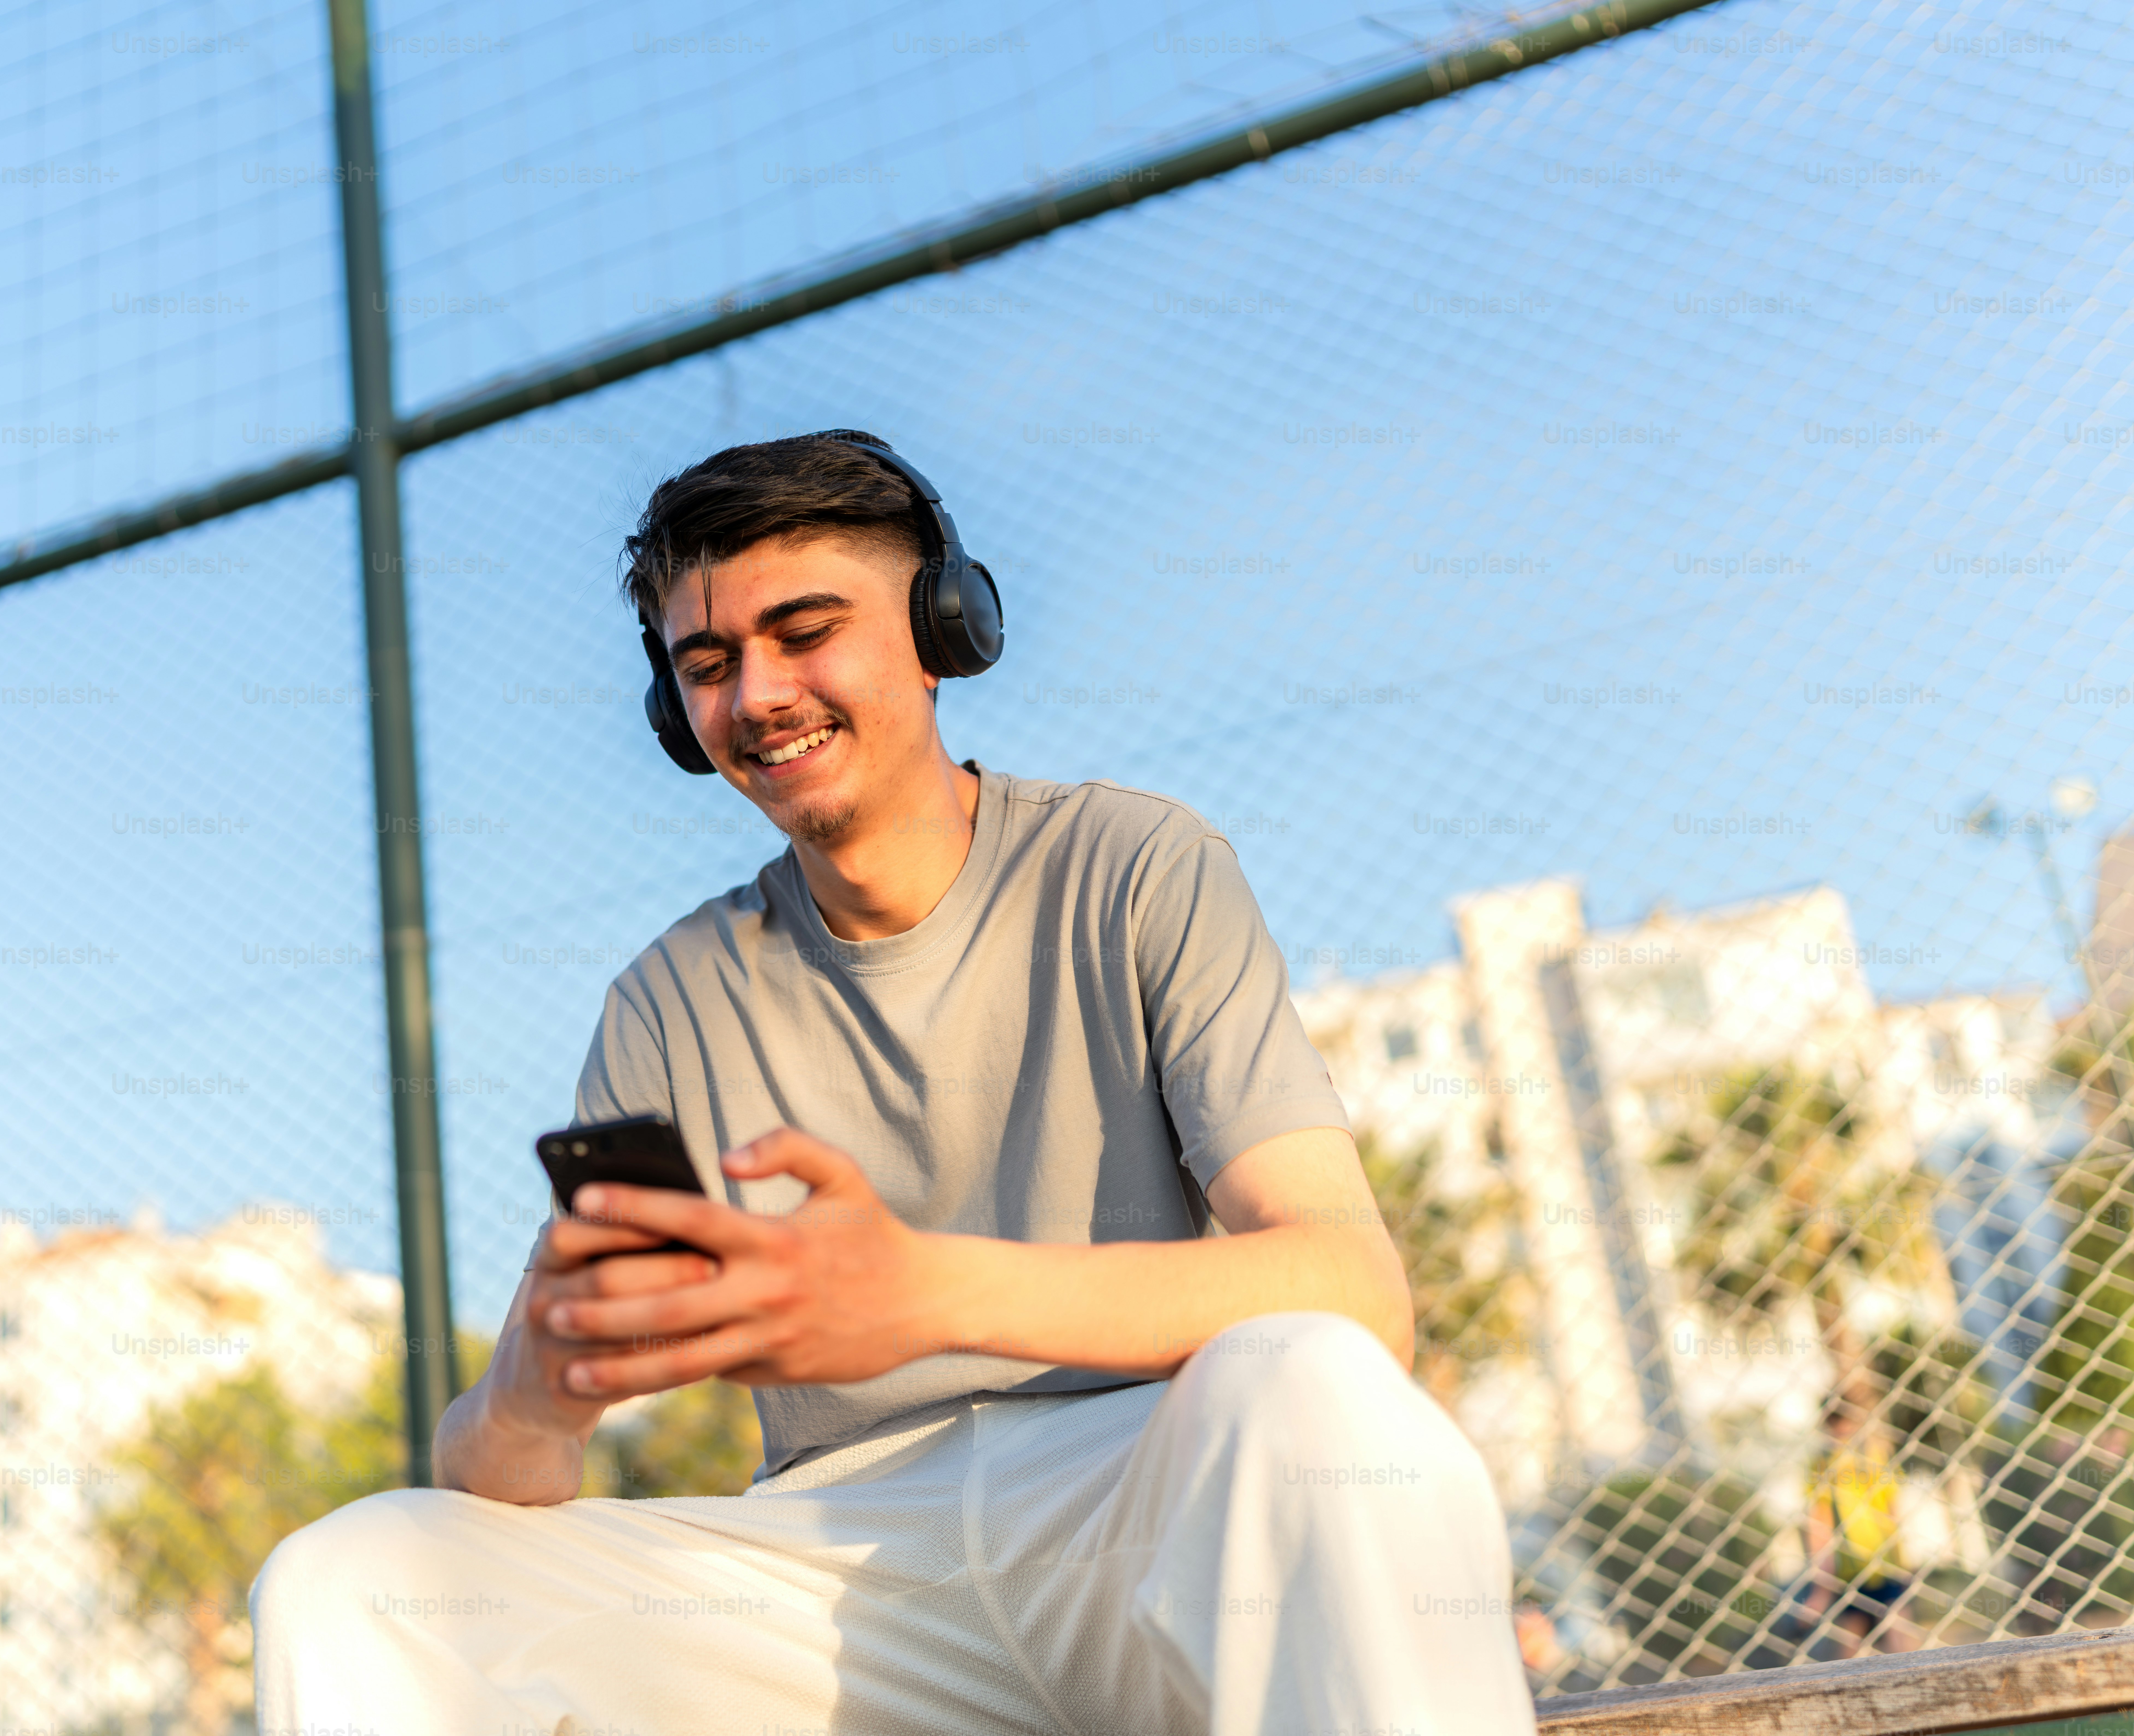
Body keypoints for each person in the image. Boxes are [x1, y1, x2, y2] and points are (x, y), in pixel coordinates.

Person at [253, 430, 1534, 1734]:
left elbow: (1349, 1288)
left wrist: (917, 1289)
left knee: (1314, 1394)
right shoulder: (667, 993)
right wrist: (536, 1384)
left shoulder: (1132, 861)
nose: (756, 694)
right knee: (355, 1576)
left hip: (1139, 1498)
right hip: (833, 1569)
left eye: (803, 631)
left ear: (940, 625)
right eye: (707, 665)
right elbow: (500, 1474)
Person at [1797, 1403, 1916, 1655]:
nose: (1843, 1434)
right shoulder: (1822, 1466)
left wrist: (1904, 1559)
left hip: (1885, 1562)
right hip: (1849, 1569)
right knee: (1853, 1644)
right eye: (1836, 1427)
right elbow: (1820, 1523)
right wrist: (1822, 1582)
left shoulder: (1875, 1458)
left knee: (1900, 1638)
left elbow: (1893, 1509)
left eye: (1846, 1426)